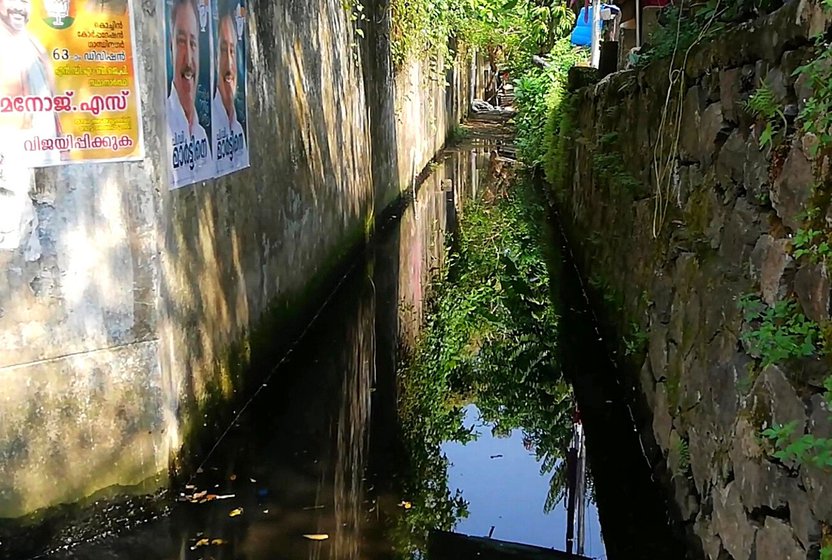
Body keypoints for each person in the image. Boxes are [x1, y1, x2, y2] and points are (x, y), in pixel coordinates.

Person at [0, 0, 63, 166]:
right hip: (10, 159)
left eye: (25, 1)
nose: (20, 8)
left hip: (43, 155)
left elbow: (53, 106)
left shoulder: (35, 45)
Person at [167, 0, 213, 187]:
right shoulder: (164, 121)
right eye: (181, 42)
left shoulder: (201, 134)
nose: (189, 59)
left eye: (192, 43)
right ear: (171, 48)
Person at [212, 0, 247, 176]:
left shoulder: (239, 129)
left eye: (232, 51)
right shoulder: (210, 124)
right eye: (223, 51)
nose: (229, 63)